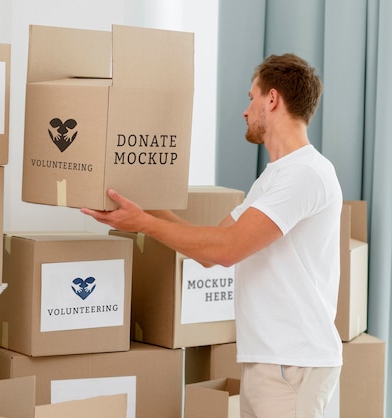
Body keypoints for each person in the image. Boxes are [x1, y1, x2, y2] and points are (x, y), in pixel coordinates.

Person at [81, 53, 342, 418]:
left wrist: (142, 224)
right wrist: (140, 206)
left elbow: (227, 250)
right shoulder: (276, 177)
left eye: (251, 97)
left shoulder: (305, 174)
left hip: (291, 364)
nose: (245, 110)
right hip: (271, 361)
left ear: (272, 99)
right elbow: (209, 247)